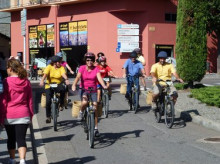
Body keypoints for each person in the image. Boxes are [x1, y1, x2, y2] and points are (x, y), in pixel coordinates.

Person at [0, 58, 33, 164]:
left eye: (7, 68)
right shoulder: (26, 81)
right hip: (23, 114)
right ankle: (22, 160)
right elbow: (30, 100)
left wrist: (1, 116)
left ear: (10, 68)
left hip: (9, 115)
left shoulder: (6, 82)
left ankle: (12, 159)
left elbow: (3, 101)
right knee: (21, 138)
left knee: (11, 138)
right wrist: (31, 115)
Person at [72, 52, 107, 137]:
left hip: (93, 90)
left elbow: (99, 78)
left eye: (91, 60)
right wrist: (73, 84)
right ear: (85, 60)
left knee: (95, 107)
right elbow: (78, 77)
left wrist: (104, 85)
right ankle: (81, 112)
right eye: (87, 60)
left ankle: (95, 128)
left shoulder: (96, 69)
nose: (89, 62)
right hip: (84, 89)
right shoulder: (82, 68)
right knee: (84, 102)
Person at [39, 56, 70, 123]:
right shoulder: (49, 67)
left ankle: (61, 104)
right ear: (55, 63)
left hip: (58, 84)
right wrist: (42, 81)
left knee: (63, 90)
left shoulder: (61, 67)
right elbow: (45, 74)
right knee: (48, 102)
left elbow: (63, 74)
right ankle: (48, 116)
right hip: (49, 85)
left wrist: (66, 79)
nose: (60, 63)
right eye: (59, 62)